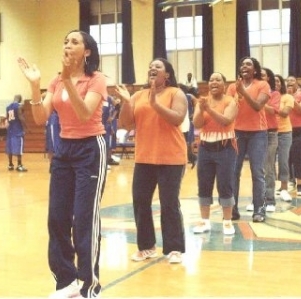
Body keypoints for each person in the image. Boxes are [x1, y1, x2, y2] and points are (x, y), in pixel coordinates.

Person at [17, 29, 107, 298]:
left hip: (90, 149)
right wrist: (35, 85)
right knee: (57, 218)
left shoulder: (97, 80)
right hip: (64, 150)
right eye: (65, 41)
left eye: (74, 42)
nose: (68, 45)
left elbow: (83, 113)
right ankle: (66, 282)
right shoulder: (56, 81)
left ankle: (89, 286)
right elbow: (40, 117)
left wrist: (68, 80)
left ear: (86, 51)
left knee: (84, 220)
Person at [115, 58, 187, 264]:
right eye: (151, 66)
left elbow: (177, 118)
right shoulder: (138, 95)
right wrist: (126, 102)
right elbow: (126, 124)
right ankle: (146, 247)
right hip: (145, 158)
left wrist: (155, 104)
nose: (152, 68)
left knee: (169, 203)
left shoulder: (176, 93)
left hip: (171, 158)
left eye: (158, 66)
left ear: (168, 75)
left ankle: (174, 248)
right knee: (140, 202)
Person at [191, 72, 238, 235]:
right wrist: (200, 109)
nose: (214, 82)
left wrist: (208, 109)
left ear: (224, 84)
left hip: (225, 148)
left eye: (218, 79)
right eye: (211, 80)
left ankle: (227, 222)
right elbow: (197, 123)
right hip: (205, 147)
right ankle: (205, 222)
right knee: (204, 184)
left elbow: (226, 120)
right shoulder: (203, 101)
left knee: (225, 184)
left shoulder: (230, 101)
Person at [226, 57, 270, 223]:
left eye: (248, 64)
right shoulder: (232, 87)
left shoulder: (263, 85)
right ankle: (233, 209)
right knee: (233, 172)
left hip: (257, 133)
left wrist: (243, 93)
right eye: (242, 64)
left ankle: (259, 209)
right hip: (236, 132)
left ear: (255, 70)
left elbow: (258, 106)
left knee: (257, 172)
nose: (244, 66)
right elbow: (229, 107)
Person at [253, 67, 280, 213]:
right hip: (256, 132)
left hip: (270, 133)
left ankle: (270, 199)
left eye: (263, 75)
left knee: (268, 167)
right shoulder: (253, 93)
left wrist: (259, 101)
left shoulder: (274, 94)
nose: (260, 77)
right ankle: (257, 199)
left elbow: (272, 110)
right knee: (256, 168)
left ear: (268, 78)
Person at [286, 76, 301, 197]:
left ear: (297, 84)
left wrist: (291, 98)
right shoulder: (283, 97)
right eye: (288, 81)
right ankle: (290, 181)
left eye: (292, 80)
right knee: (287, 158)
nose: (290, 82)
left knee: (298, 157)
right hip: (287, 130)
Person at [274, 74, 294, 203]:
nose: (275, 83)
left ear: (282, 84)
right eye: (273, 81)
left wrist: (269, 107)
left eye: (278, 81)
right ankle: (269, 188)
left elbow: (285, 113)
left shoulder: (287, 97)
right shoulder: (266, 96)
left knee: (283, 160)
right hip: (269, 132)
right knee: (268, 162)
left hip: (284, 132)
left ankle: (284, 188)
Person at [5, 94, 28, 172]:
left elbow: (7, 119)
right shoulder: (19, 106)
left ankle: (10, 165)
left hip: (10, 130)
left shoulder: (8, 107)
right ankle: (19, 165)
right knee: (19, 148)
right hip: (17, 130)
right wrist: (26, 127)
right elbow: (21, 117)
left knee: (10, 148)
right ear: (20, 100)